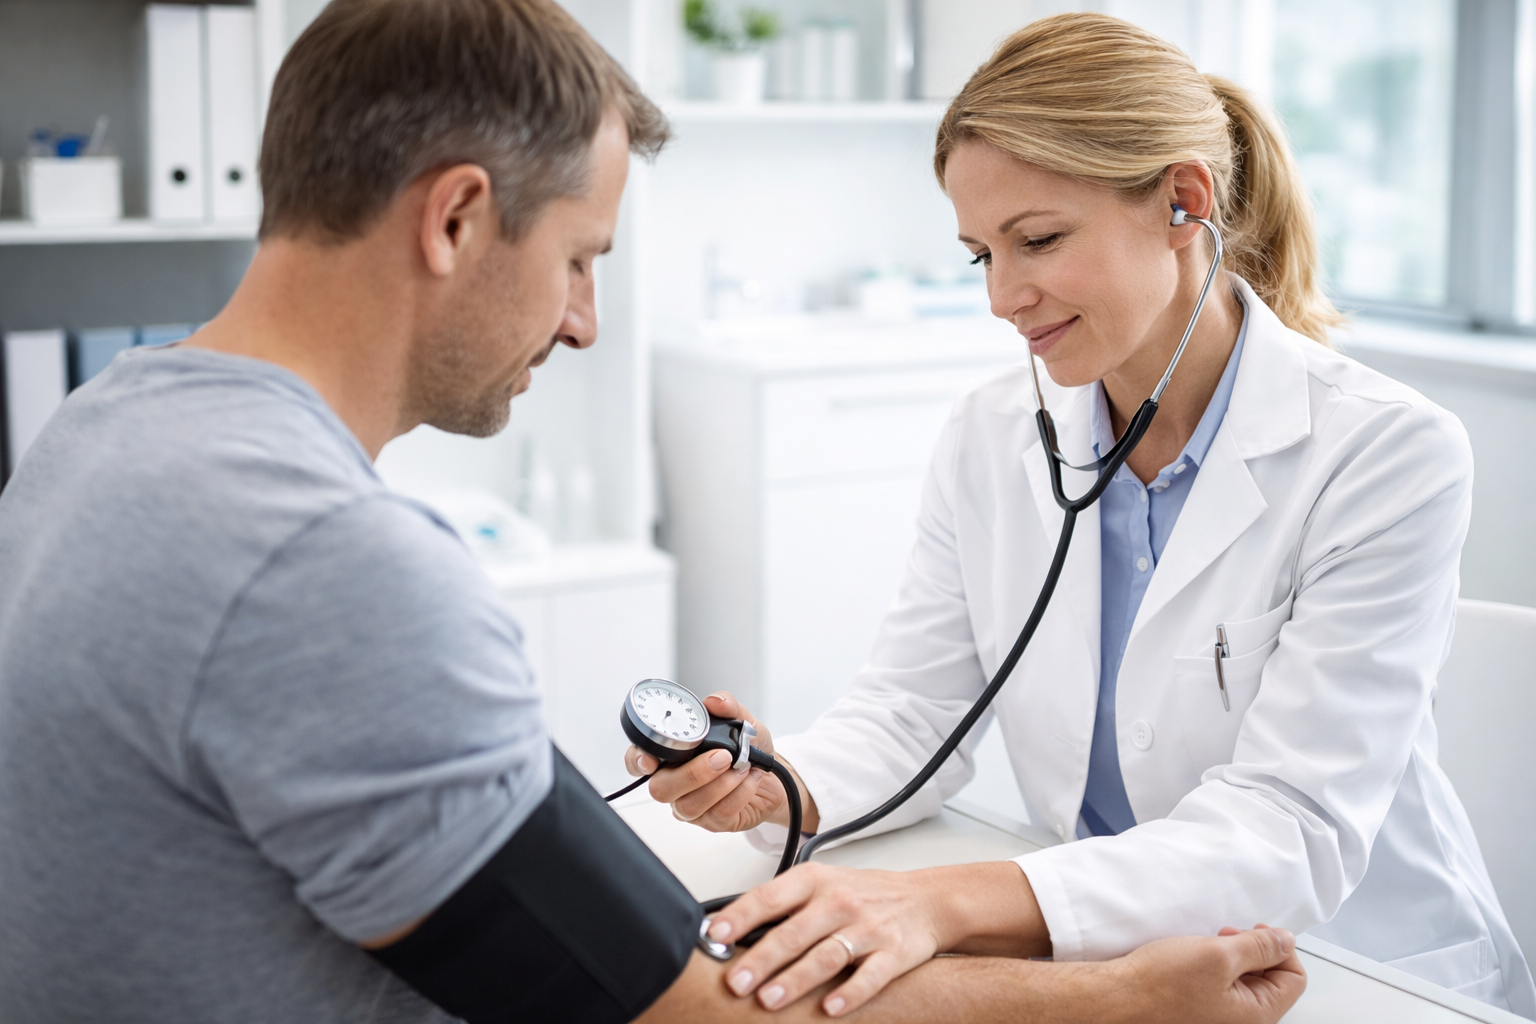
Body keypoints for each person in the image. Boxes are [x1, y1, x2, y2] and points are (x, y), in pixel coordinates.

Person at [0, 1, 1305, 1022]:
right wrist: (1115, 1001)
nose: (583, 322)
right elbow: (682, 1007)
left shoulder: (101, 427)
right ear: (456, 218)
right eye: (580, 259)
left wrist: (792, 798)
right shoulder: (329, 565)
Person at [629, 11, 1536, 1022]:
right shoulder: (990, 434)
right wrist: (785, 783)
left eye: (1038, 241)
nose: (1001, 297)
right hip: (1112, 960)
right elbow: (913, 712)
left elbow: (1288, 824)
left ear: (1184, 202)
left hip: (1355, 973)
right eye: (980, 254)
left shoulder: (1385, 452)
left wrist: (940, 902)